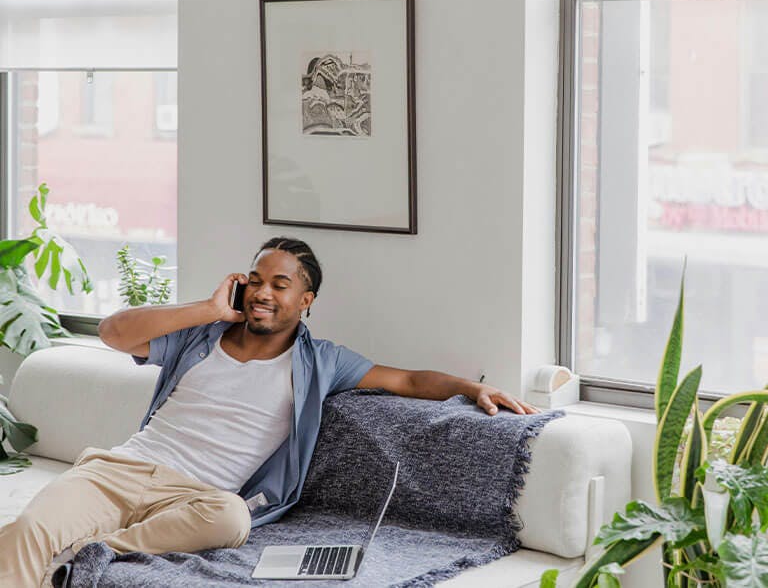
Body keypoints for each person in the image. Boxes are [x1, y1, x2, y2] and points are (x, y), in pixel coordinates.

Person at [0, 237, 537, 587]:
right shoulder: (200, 336)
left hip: (199, 497)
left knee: (233, 519)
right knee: (26, 529)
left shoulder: (322, 362)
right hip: (120, 471)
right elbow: (115, 333)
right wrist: (210, 308)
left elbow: (409, 380)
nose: (263, 292)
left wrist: (472, 387)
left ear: (307, 300)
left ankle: (97, 550)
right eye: (256, 280)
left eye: (280, 284)